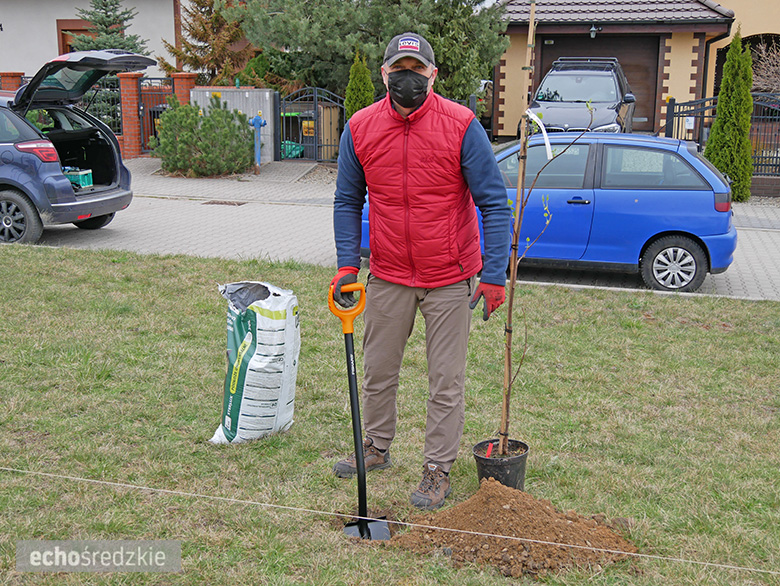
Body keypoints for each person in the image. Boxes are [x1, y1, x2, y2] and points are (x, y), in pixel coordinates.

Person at [330, 32, 511, 510]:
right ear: (385, 74)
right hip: (388, 273)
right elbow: (348, 199)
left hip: (449, 276)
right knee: (378, 370)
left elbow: (493, 203)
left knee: (445, 380)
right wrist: (349, 262)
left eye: (417, 69)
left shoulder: (462, 125)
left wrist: (494, 273)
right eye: (398, 69)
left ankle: (437, 468)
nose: (407, 77)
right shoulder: (361, 127)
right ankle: (376, 446)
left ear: (432, 74)